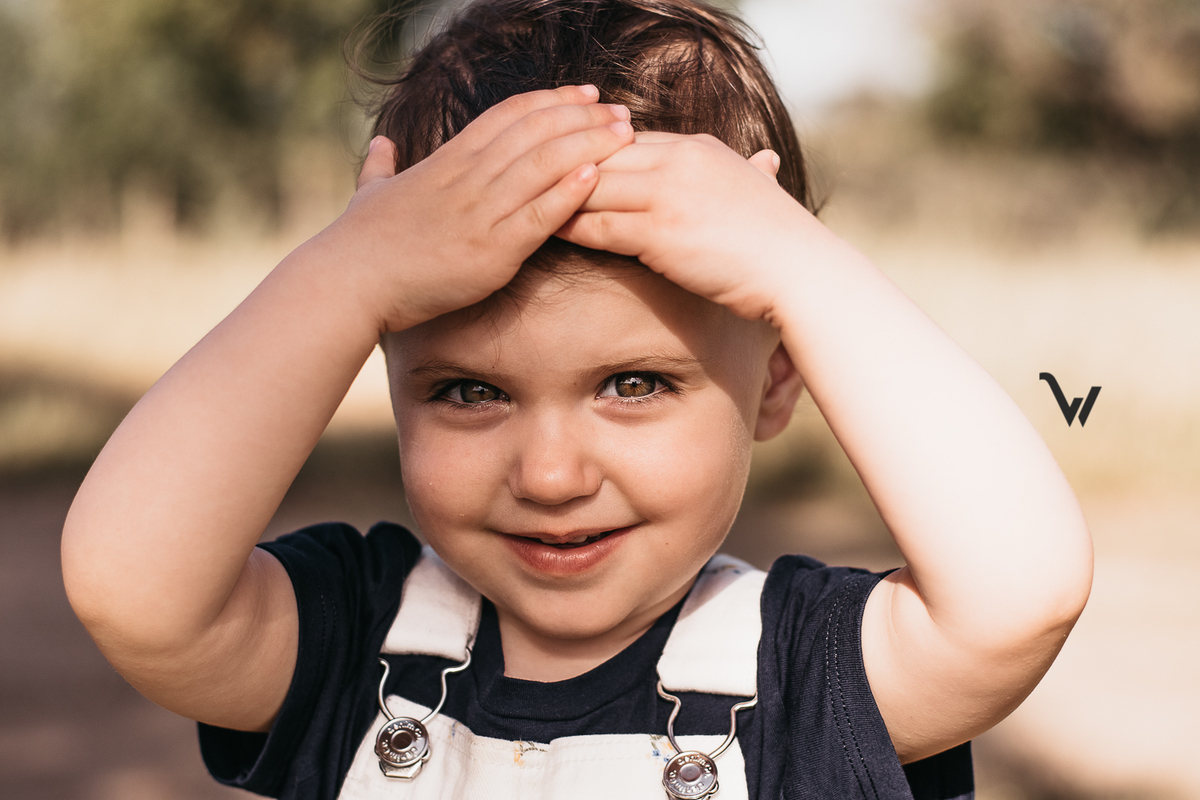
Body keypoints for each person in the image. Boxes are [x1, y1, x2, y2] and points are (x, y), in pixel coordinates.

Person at [60, 0, 1094, 798]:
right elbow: (129, 585)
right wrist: (344, 277)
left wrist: (798, 266)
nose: (550, 474)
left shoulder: (800, 673)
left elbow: (1021, 593)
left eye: (634, 384)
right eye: (469, 391)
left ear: (780, 377)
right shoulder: (355, 642)